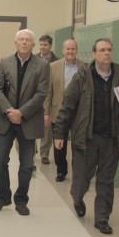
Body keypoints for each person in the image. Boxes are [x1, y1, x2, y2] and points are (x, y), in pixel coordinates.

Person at [53, 38, 119, 234]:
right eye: (102, 50)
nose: (106, 53)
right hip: (87, 138)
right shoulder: (82, 76)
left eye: (109, 49)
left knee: (106, 180)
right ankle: (77, 198)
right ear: (94, 54)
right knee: (82, 178)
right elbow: (67, 106)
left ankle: (102, 218)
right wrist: (59, 133)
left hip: (112, 137)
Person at [0, 29, 49, 216]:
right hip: (5, 120)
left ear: (33, 45)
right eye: (21, 40)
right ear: (15, 43)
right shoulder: (5, 62)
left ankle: (21, 200)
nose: (24, 42)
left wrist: (21, 113)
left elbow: (41, 94)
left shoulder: (42, 65)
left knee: (26, 164)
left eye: (27, 40)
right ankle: (3, 196)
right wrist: (10, 111)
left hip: (28, 121)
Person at [44, 39, 84, 182]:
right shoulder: (53, 66)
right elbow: (48, 91)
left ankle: (78, 172)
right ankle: (61, 171)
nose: (70, 51)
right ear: (63, 50)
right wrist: (46, 112)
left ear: (76, 50)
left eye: (73, 49)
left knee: (78, 144)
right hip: (58, 111)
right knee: (59, 144)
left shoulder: (84, 67)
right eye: (67, 49)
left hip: (78, 112)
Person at [35, 34, 59, 165]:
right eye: (41, 44)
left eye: (45, 45)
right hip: (34, 97)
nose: (42, 47)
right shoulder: (33, 59)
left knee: (46, 127)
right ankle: (31, 151)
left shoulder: (56, 61)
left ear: (50, 46)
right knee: (31, 125)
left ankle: (44, 153)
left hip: (48, 97)